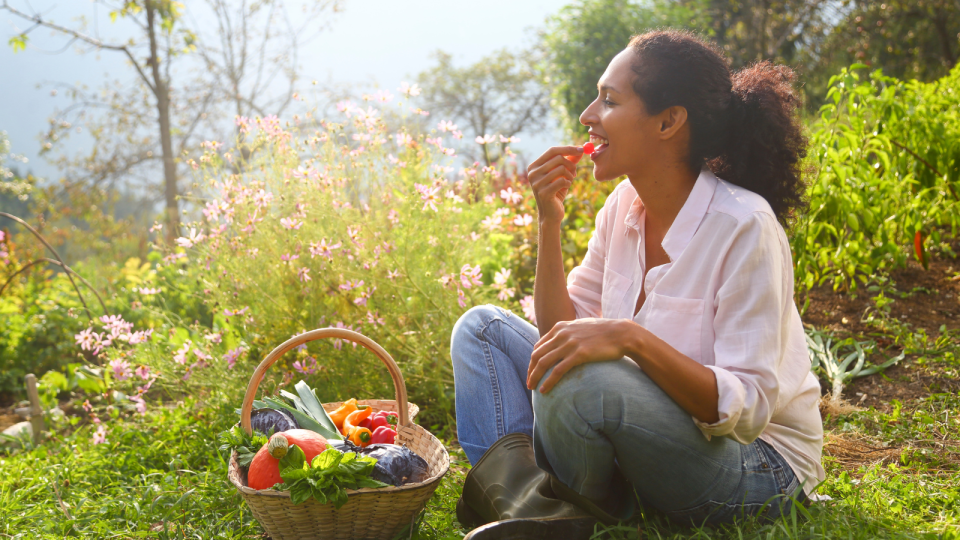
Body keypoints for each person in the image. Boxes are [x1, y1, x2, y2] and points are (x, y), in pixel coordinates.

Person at [450, 29, 824, 525]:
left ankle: (570, 513)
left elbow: (749, 410)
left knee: (583, 381)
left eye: (609, 101)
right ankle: (535, 511)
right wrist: (548, 220)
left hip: (754, 466)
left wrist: (630, 339)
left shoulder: (744, 226)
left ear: (668, 122)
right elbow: (558, 334)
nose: (587, 116)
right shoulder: (622, 206)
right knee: (482, 330)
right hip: (646, 434)